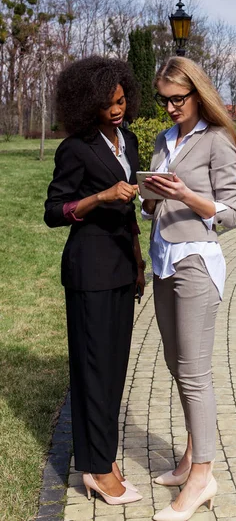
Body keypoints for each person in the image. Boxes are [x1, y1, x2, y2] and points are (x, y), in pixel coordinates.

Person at [141, 57, 236, 521]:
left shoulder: (218, 140)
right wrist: (149, 196)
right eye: (163, 99)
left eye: (177, 99)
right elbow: (152, 208)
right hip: (163, 262)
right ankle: (189, 458)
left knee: (195, 373)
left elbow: (229, 213)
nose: (169, 108)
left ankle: (203, 477)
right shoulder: (164, 141)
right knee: (175, 366)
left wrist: (184, 194)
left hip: (196, 264)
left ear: (197, 94)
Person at [44, 56, 145, 505]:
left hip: (124, 268)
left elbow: (134, 209)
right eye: (107, 105)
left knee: (114, 369)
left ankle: (102, 455)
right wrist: (100, 196)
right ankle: (95, 468)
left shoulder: (131, 140)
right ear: (89, 106)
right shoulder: (75, 148)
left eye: (121, 100)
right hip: (90, 271)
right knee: (93, 369)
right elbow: (54, 212)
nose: (117, 109)